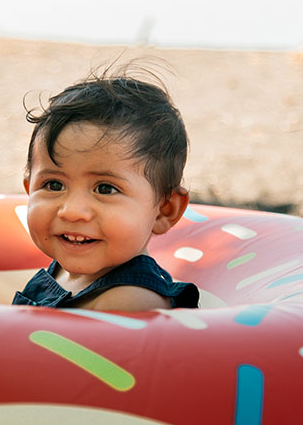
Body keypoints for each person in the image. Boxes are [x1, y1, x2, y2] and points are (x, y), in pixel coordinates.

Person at [13, 65, 199, 311]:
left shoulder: (131, 302)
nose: (72, 211)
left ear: (164, 210)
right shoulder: (62, 272)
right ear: (30, 190)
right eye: (54, 185)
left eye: (105, 189)